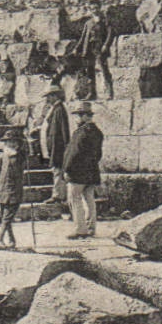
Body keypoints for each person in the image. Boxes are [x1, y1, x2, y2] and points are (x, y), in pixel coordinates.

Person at [63, 102, 103, 239]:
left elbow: (74, 153)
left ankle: (80, 229)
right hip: (91, 170)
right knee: (89, 200)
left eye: (78, 116)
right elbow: (98, 155)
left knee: (74, 199)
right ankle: (91, 228)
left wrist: (67, 169)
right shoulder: (97, 132)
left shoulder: (81, 132)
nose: (76, 119)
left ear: (85, 116)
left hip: (78, 172)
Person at [0, 127, 28, 249]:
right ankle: (11, 239)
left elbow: (26, 155)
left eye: (14, 141)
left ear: (18, 144)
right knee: (5, 217)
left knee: (7, 217)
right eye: (8, 141)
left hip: (15, 191)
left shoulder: (20, 157)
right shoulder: (2, 156)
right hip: (2, 190)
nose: (11, 144)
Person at [37, 84, 70, 207]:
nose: (47, 99)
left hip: (58, 146)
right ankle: (59, 194)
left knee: (58, 171)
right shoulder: (54, 109)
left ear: (54, 96)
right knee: (56, 170)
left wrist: (66, 146)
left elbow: (64, 130)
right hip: (53, 146)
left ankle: (58, 195)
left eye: (49, 96)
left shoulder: (60, 109)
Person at [73, 5, 115, 100]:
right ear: (90, 10)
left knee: (104, 70)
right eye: (92, 8)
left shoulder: (105, 21)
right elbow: (83, 37)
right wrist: (77, 48)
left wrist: (106, 45)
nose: (94, 10)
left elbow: (110, 34)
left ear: (99, 8)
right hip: (89, 49)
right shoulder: (88, 23)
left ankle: (110, 92)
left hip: (99, 48)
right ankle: (92, 93)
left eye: (96, 7)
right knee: (90, 72)